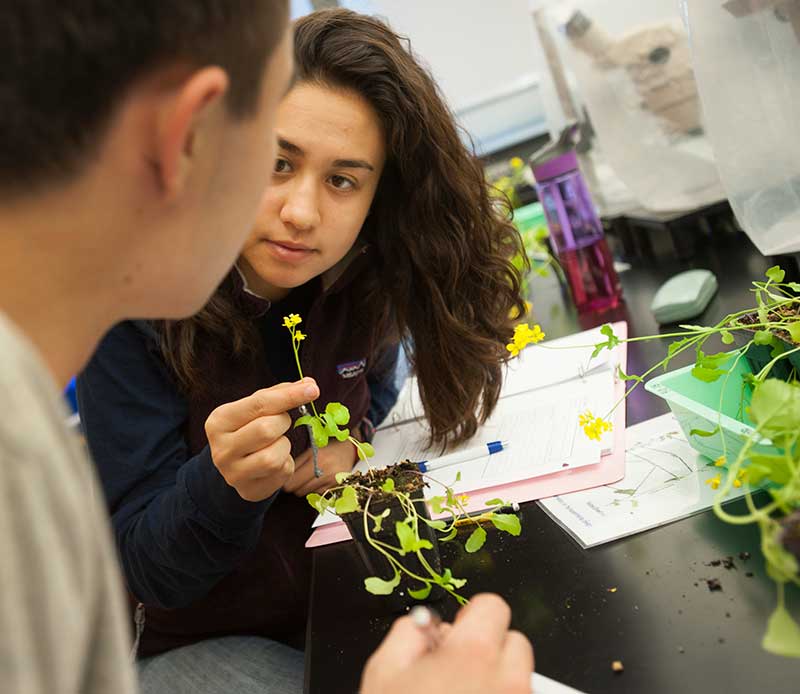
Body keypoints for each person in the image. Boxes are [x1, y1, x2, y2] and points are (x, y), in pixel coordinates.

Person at [0, 1, 533, 692]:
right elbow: (142, 569)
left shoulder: (364, 273)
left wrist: (356, 436)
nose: (302, 213)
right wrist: (221, 487)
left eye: (343, 180)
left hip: (329, 593)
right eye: (275, 162)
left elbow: (378, 377)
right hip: (201, 632)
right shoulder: (140, 307)